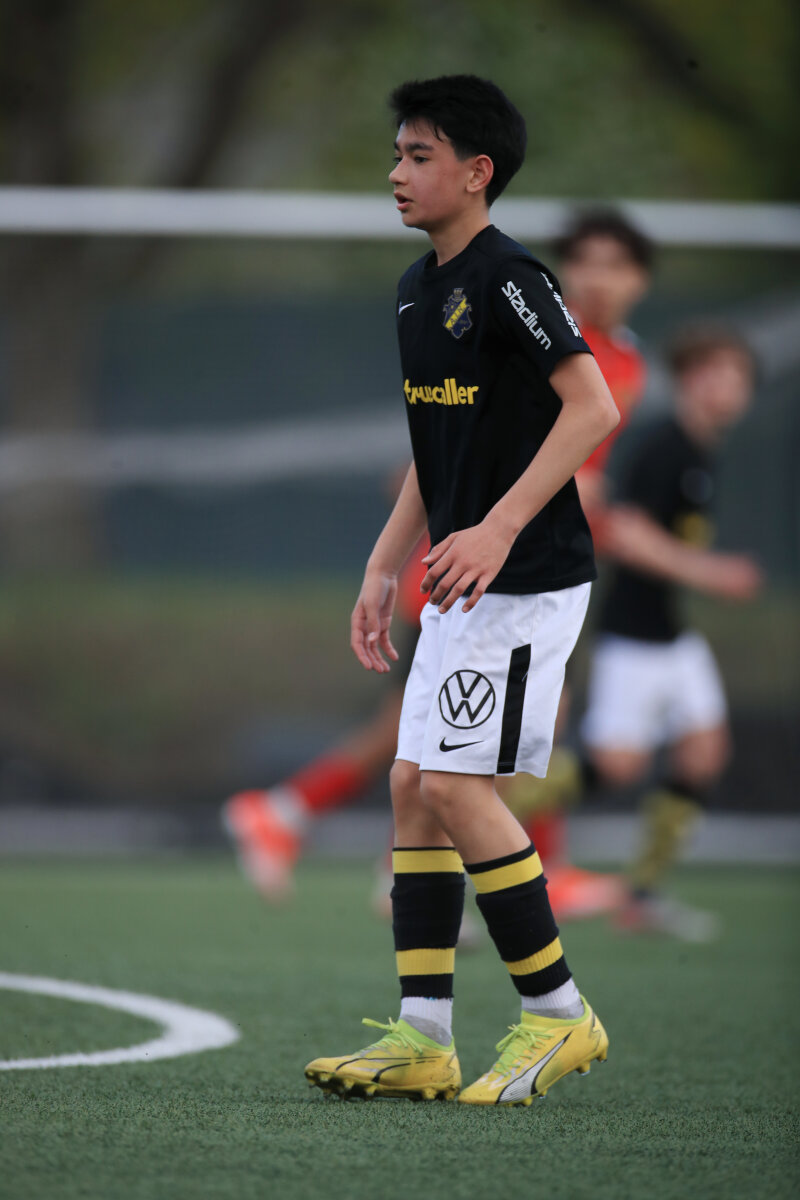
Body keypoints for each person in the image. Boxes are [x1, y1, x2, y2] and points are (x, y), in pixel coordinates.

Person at [303, 74, 619, 1105]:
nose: (396, 173)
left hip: (522, 582)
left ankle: (558, 1016)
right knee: (412, 784)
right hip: (457, 582)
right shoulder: (414, 287)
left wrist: (498, 525)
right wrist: (383, 561)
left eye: (418, 156)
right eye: (396, 154)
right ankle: (424, 1037)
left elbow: (592, 407)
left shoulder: (511, 277)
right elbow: (433, 444)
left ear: (476, 172)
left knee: (453, 788)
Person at [530, 324, 763, 940]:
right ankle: (472, 813)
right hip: (632, 634)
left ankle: (640, 896)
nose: (727, 388)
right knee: (617, 766)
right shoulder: (665, 447)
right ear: (687, 379)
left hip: (671, 636)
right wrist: (713, 573)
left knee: (704, 752)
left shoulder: (701, 450)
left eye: (738, 377)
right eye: (714, 372)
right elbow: (624, 534)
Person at [501, 209, 654, 918]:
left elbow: (587, 469)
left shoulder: (628, 362)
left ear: (641, 280)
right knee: (459, 735)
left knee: (544, 718)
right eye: (584, 261)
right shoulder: (546, 340)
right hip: (497, 560)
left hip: (551, 564)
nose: (597, 277)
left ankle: (538, 865)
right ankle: (415, 867)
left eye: (615, 264)